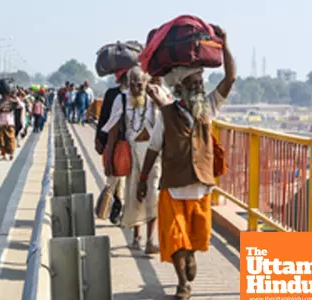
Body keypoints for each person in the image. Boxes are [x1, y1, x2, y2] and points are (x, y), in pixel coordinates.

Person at [137, 25, 235, 300]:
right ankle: (183, 284)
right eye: (192, 84)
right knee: (176, 238)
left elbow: (231, 78)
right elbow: (153, 149)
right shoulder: (166, 115)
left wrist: (225, 44)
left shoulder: (210, 108)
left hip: (201, 188)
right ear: (179, 88)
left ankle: (190, 259)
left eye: (200, 84)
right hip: (173, 189)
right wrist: (144, 180)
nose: (198, 87)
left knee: (193, 240)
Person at [102, 66, 167, 254]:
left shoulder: (154, 97)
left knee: (152, 194)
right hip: (131, 153)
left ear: (146, 83)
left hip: (152, 152)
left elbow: (169, 113)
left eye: (139, 84)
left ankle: (150, 240)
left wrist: (156, 97)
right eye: (132, 85)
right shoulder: (121, 100)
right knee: (133, 195)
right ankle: (136, 238)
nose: (136, 89)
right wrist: (109, 160)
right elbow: (113, 129)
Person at [95, 70, 129, 225]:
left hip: (131, 143)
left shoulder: (138, 96)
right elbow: (104, 118)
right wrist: (99, 138)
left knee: (122, 180)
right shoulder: (112, 94)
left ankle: (118, 207)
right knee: (115, 176)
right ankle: (116, 205)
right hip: (115, 142)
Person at [0, 78, 19, 160]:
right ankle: (4, 154)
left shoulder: (13, 101)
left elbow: (20, 106)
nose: (5, 96)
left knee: (11, 139)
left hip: (10, 123)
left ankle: (11, 153)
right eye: (3, 95)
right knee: (2, 140)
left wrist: (15, 97)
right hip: (2, 123)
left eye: (6, 94)